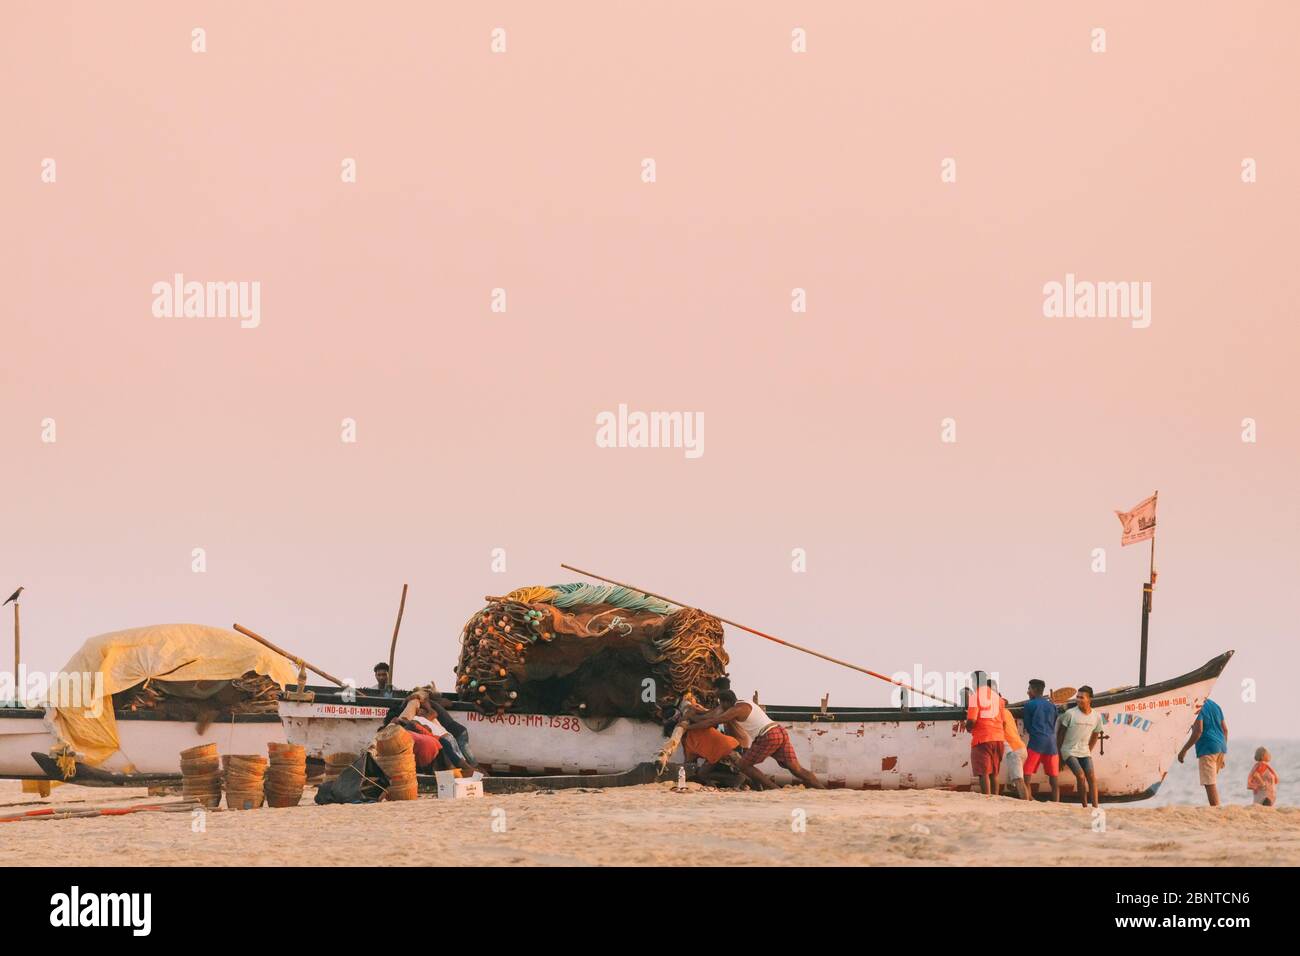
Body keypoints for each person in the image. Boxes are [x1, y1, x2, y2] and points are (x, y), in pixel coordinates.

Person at [684, 690, 824, 790]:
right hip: (779, 731)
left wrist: (687, 727)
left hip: (767, 736)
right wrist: (693, 715)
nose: (720, 706)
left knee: (744, 766)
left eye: (721, 703)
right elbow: (711, 714)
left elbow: (711, 721)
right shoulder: (743, 702)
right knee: (796, 769)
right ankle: (821, 789)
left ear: (725, 702)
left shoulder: (735, 710)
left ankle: (774, 789)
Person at [1056, 686, 1103, 809]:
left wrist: (1089, 750)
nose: (1078, 699)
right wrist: (1060, 757)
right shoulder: (1070, 714)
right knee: (1081, 776)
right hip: (1068, 750)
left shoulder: (1097, 717)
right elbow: (1060, 736)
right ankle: (1084, 806)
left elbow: (1095, 735)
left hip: (1084, 752)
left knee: (1092, 777)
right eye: (1077, 697)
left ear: (1089, 699)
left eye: (1081, 697)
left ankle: (1095, 807)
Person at [1177, 697, 1228, 807]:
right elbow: (1225, 730)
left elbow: (1198, 731)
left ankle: (1216, 809)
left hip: (1208, 747)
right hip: (1220, 746)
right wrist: (1224, 751)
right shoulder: (1215, 705)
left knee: (1209, 783)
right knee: (1212, 781)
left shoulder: (1197, 705)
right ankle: (1216, 807)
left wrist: (1183, 750)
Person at [964, 670, 1005, 796]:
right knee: (994, 773)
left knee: (984, 773)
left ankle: (986, 798)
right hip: (998, 738)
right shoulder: (998, 699)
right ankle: (995, 797)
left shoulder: (975, 697)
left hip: (983, 738)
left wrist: (968, 727)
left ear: (975, 681)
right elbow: (1004, 722)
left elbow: (972, 720)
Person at [1021, 679, 1060, 802]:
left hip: (1036, 742)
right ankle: (1056, 803)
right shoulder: (1052, 706)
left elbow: (1027, 725)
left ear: (1033, 690)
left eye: (1029, 689)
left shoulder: (1028, 705)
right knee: (1054, 779)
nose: (1027, 692)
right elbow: (1054, 722)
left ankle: (1028, 799)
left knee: (1026, 774)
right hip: (1052, 744)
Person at [991, 680, 1030, 800]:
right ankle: (1030, 801)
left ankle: (1026, 804)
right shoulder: (1007, 711)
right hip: (1021, 748)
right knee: (1013, 785)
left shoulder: (996, 712)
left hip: (1014, 752)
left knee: (1018, 780)